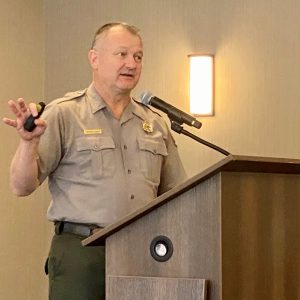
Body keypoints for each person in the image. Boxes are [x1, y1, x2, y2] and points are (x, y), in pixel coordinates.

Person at [3, 22, 187, 299]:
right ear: (94, 58)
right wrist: (28, 143)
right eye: (121, 54)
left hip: (143, 251)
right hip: (82, 251)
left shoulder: (155, 122)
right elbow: (21, 186)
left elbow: (179, 196)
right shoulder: (64, 114)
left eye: (138, 57)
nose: (131, 64)